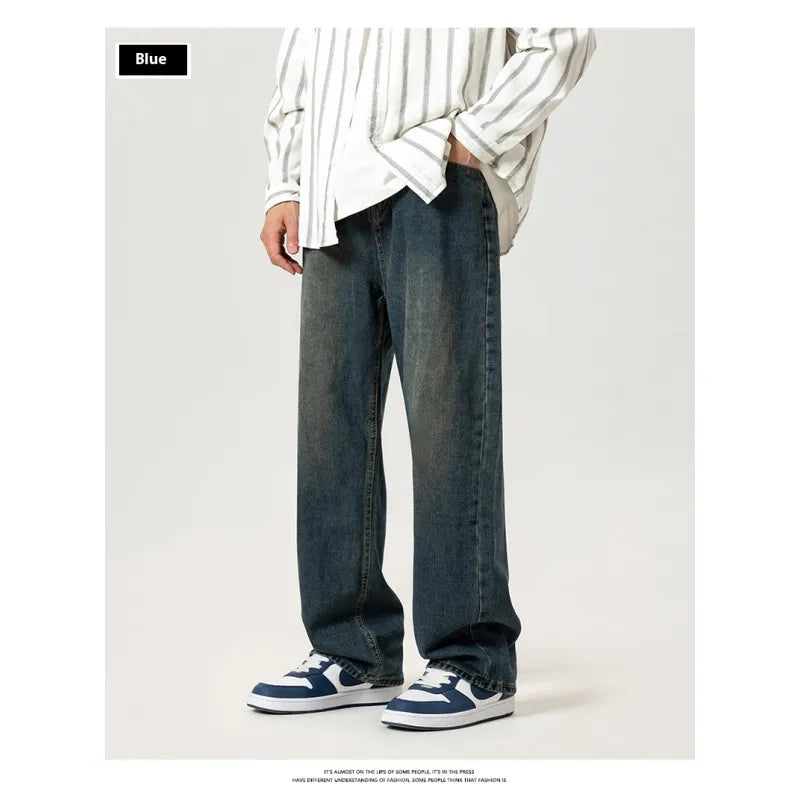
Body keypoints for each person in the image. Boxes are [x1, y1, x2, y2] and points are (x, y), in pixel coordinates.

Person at [248, 27, 596, 731]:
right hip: (328, 192)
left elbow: (564, 35)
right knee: (329, 428)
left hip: (433, 182)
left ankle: (474, 660)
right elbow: (300, 68)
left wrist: (473, 140)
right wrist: (285, 182)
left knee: (447, 422)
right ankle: (352, 651)